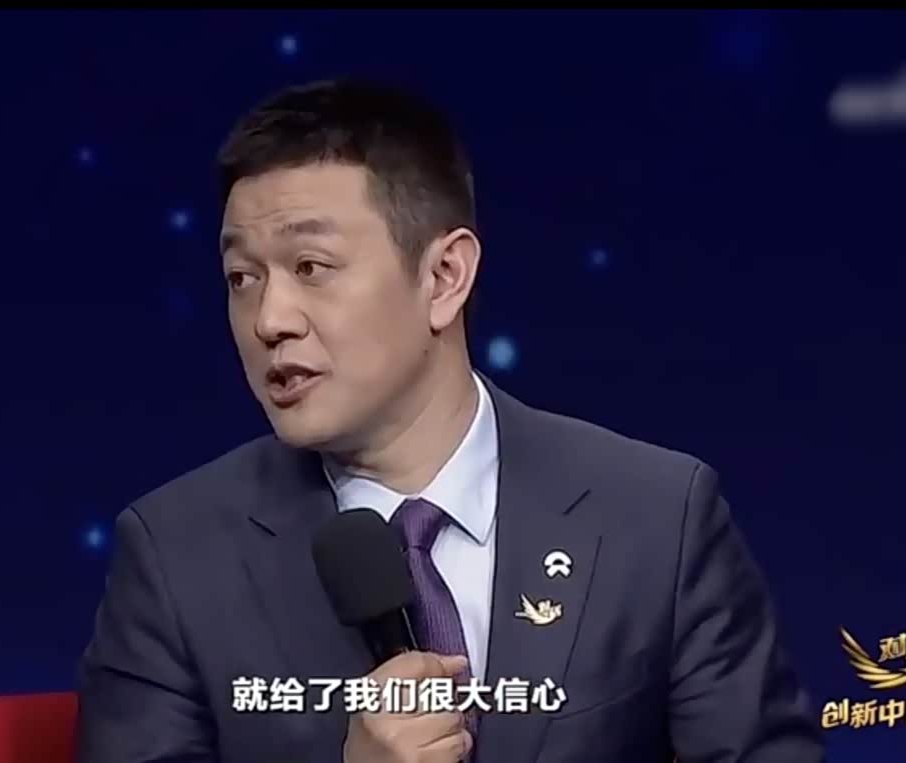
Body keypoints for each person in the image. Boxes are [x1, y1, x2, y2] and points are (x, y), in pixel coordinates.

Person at [75, 78, 826, 763]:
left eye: (310, 267)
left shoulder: (657, 517)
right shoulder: (174, 555)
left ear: (443, 277)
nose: (270, 318)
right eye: (242, 278)